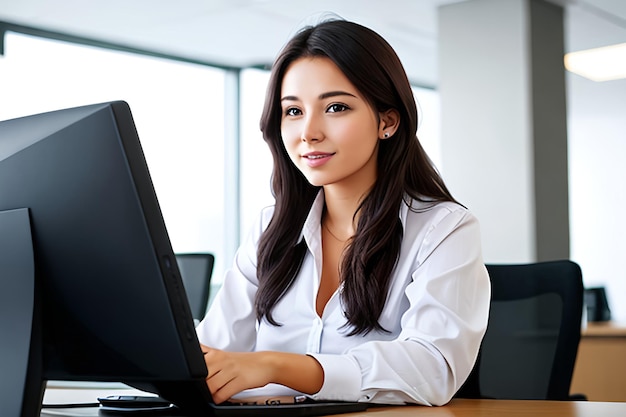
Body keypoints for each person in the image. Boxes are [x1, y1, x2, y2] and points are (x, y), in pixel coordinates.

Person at [195, 18, 490, 406]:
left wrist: (276, 366)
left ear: (387, 121)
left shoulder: (443, 229)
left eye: (335, 107)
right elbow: (210, 349)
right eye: (293, 111)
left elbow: (433, 366)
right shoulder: (272, 228)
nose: (309, 132)